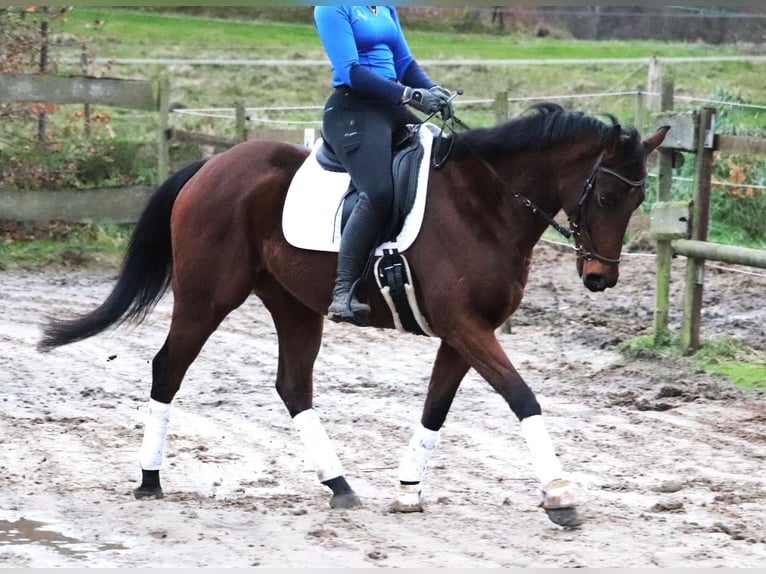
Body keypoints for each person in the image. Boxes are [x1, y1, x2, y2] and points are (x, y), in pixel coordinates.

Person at [314, 5, 454, 326]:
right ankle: (343, 290)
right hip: (353, 109)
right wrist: (410, 95)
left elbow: (404, 61)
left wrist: (431, 89)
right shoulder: (331, 8)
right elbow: (350, 70)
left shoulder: (384, 5)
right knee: (377, 192)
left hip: (391, 106)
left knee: (444, 164)